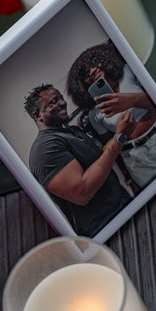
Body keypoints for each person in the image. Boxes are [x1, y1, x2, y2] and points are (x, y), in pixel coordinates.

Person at [66, 42, 156, 189]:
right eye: (85, 73)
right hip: (135, 159)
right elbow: (112, 149)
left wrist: (130, 100)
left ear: (105, 59)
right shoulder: (94, 114)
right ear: (82, 84)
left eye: (94, 62)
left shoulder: (128, 73)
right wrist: (128, 178)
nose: (91, 71)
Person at [25, 83, 131, 236]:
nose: (62, 103)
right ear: (37, 115)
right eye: (53, 102)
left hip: (123, 203)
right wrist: (119, 138)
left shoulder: (72, 131)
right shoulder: (44, 149)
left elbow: (97, 161)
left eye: (61, 98)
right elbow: (81, 192)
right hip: (104, 227)